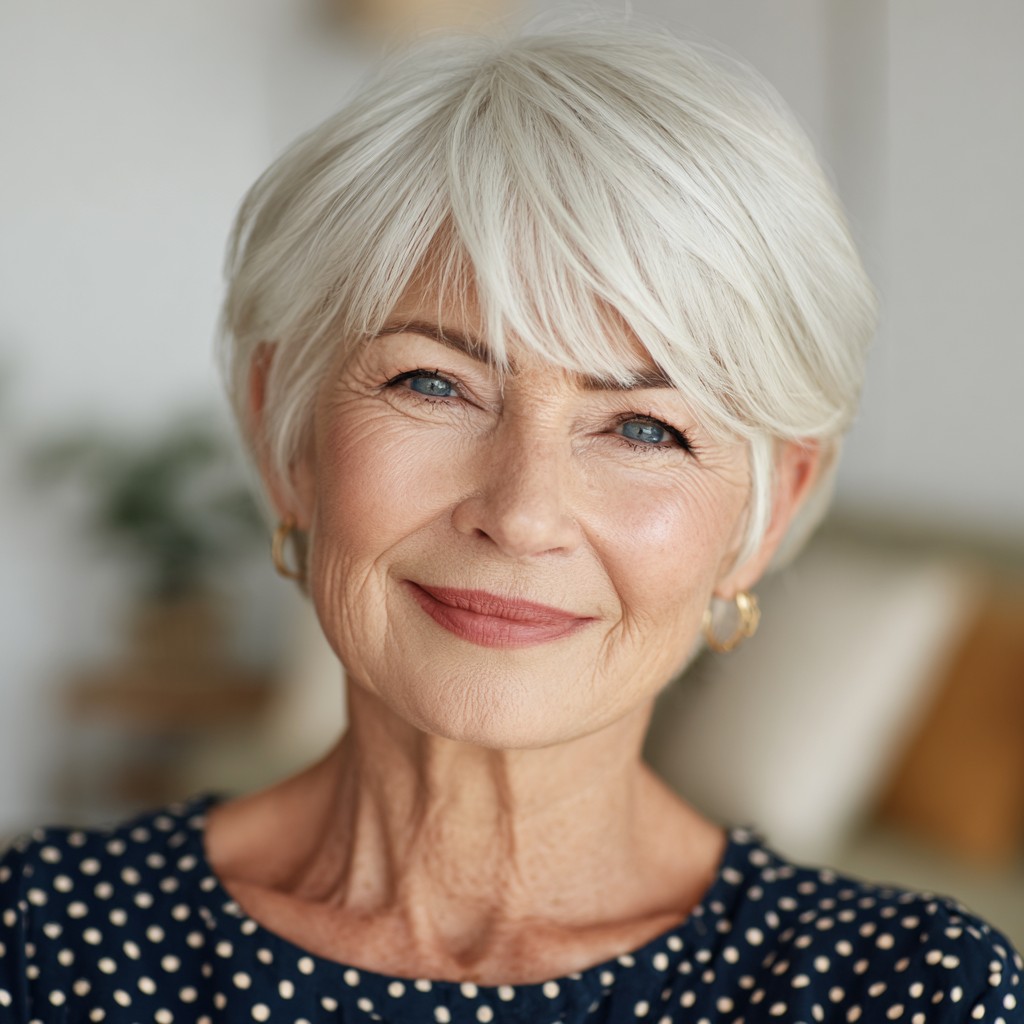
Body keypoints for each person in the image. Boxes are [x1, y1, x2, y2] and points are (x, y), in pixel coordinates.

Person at [2, 20, 1022, 1024]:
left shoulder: (911, 992)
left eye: (641, 426)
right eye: (434, 383)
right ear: (284, 433)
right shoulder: (40, 945)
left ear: (769, 508)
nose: (522, 512)